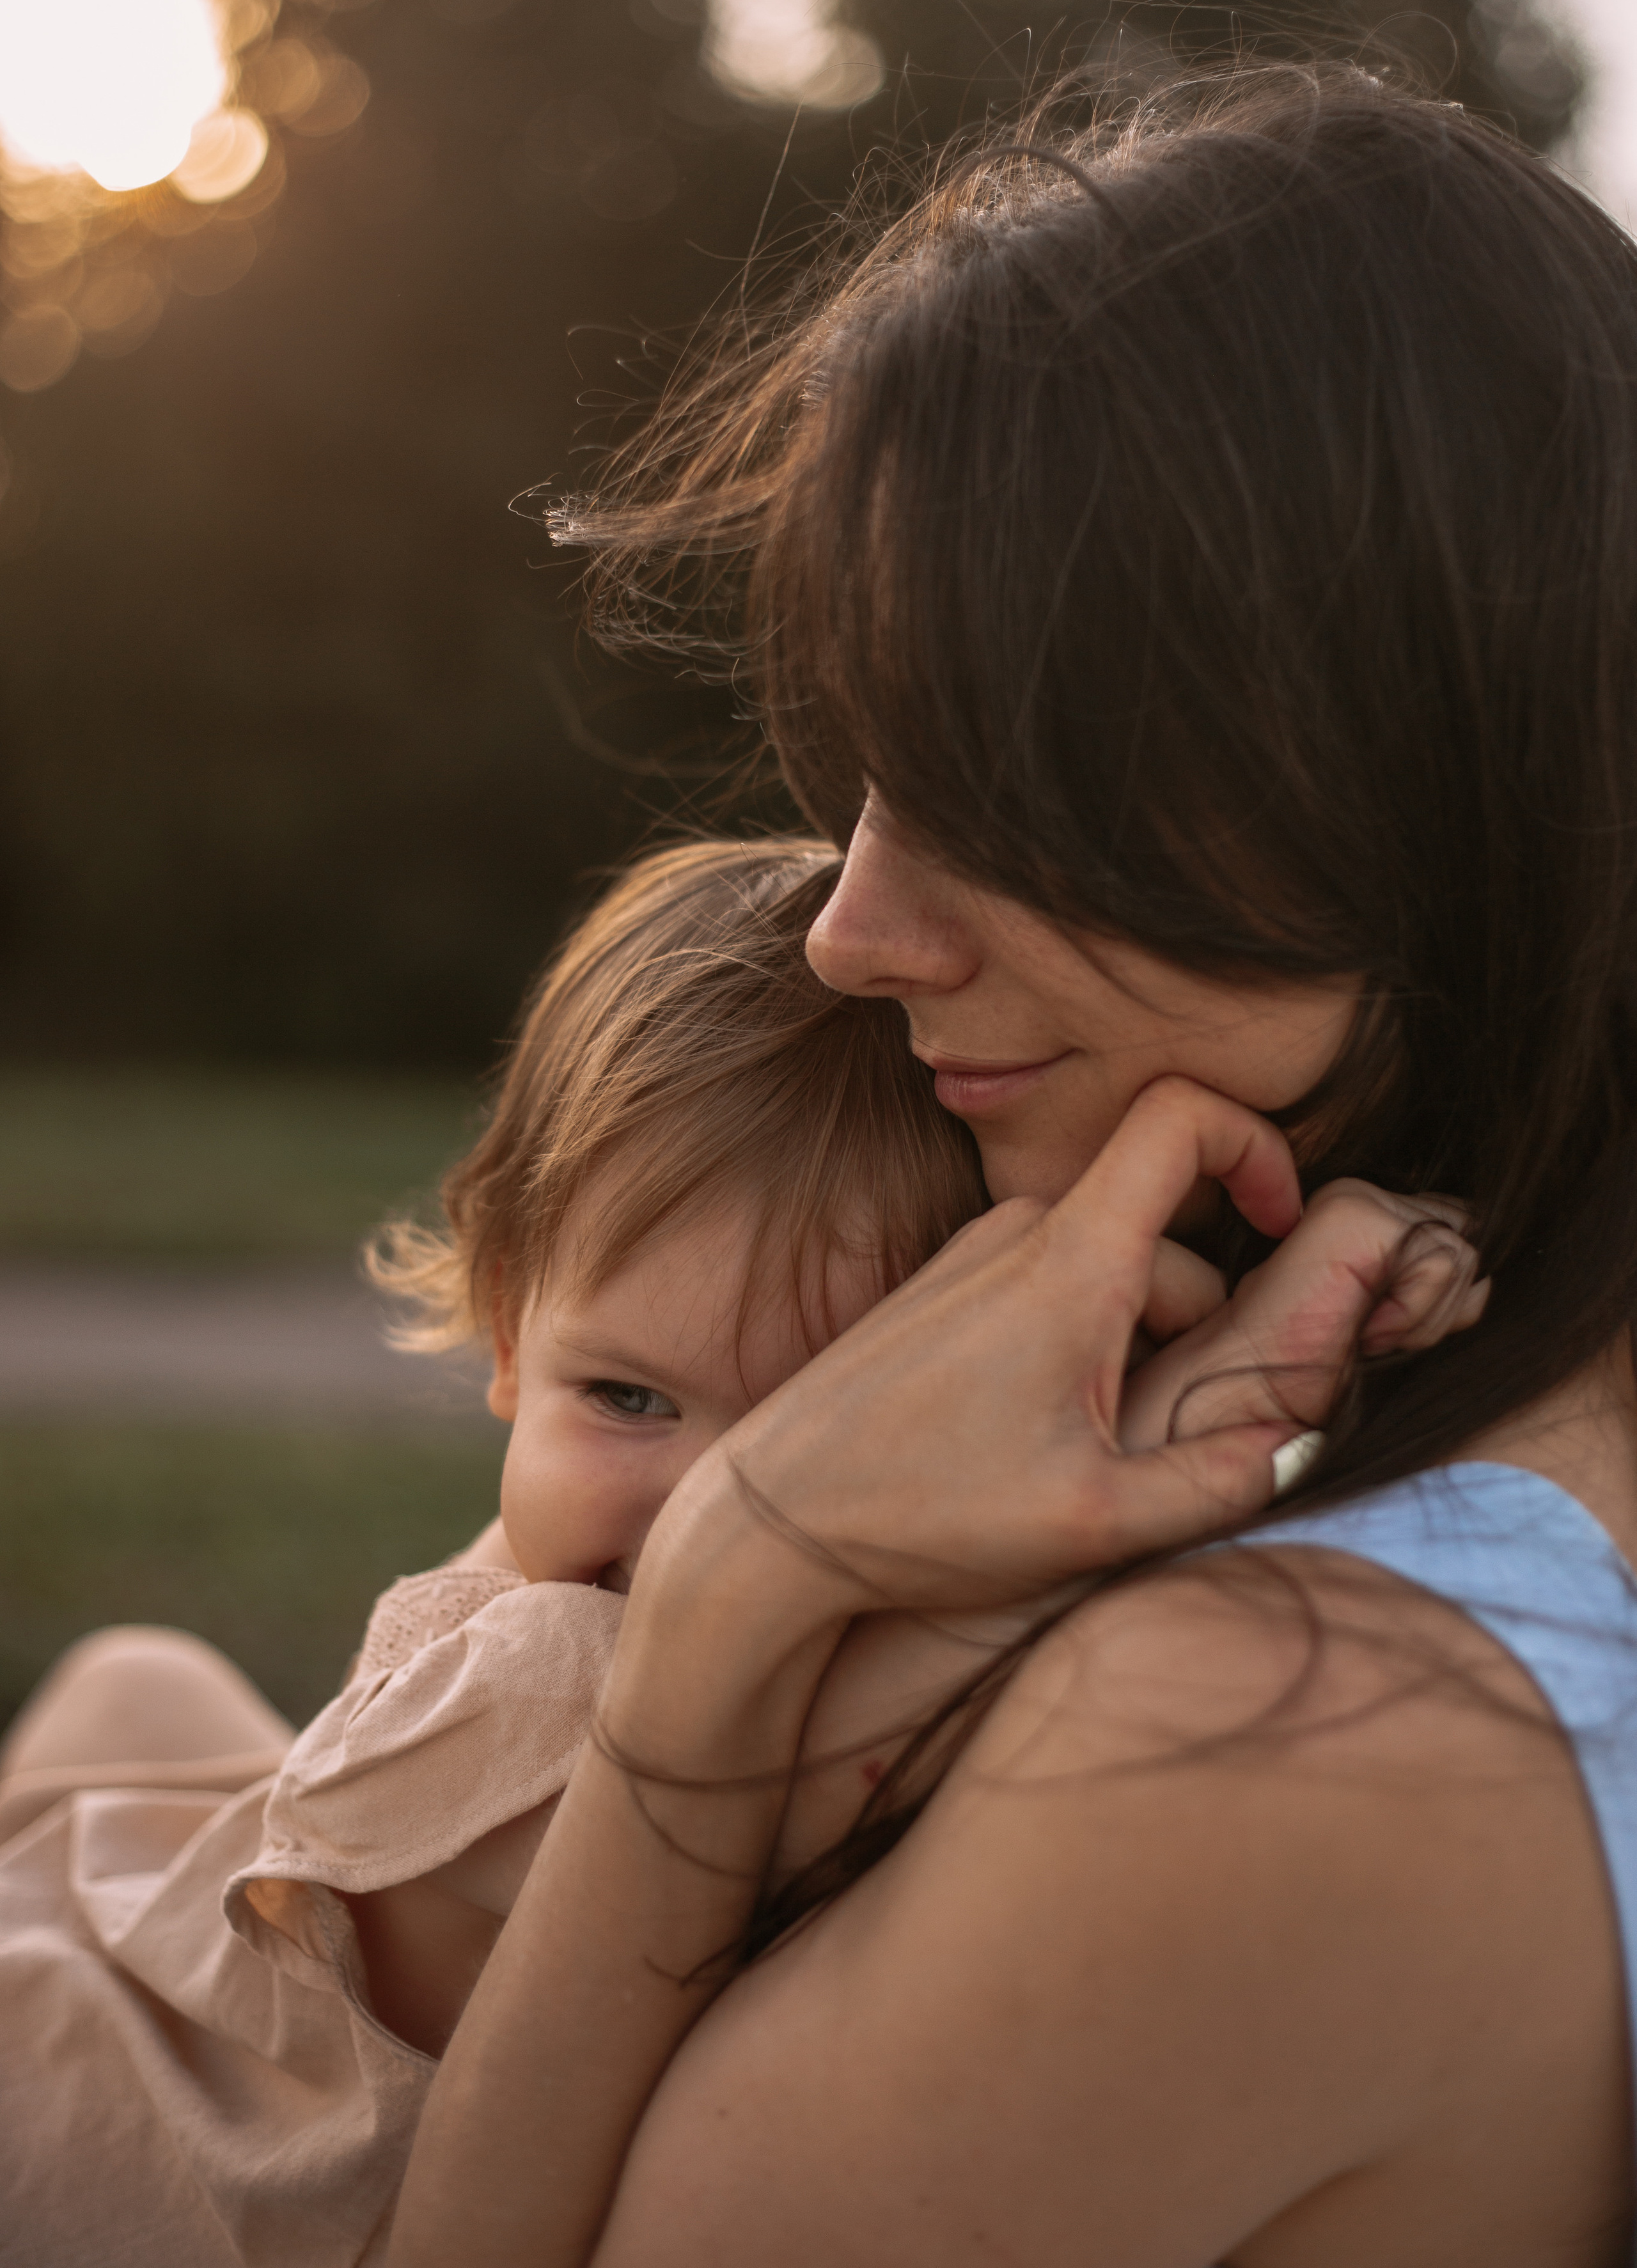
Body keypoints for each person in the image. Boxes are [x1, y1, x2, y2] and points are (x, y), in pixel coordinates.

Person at [384, 65, 1637, 2267]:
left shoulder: (1269, 1742)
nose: (854, 930)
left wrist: (735, 1600)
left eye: (1003, 789)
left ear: (1418, 771)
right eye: (864, 771)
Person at [0, 834, 1449, 2264]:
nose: (697, 1511)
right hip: (88, 2117)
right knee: (131, 1694)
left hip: (189, 2034)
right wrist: (1244, 1368)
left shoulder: (700, 1646)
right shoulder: (570, 1661)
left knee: (131, 1687)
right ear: (509, 1332)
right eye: (626, 1397)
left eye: (813, 1432)